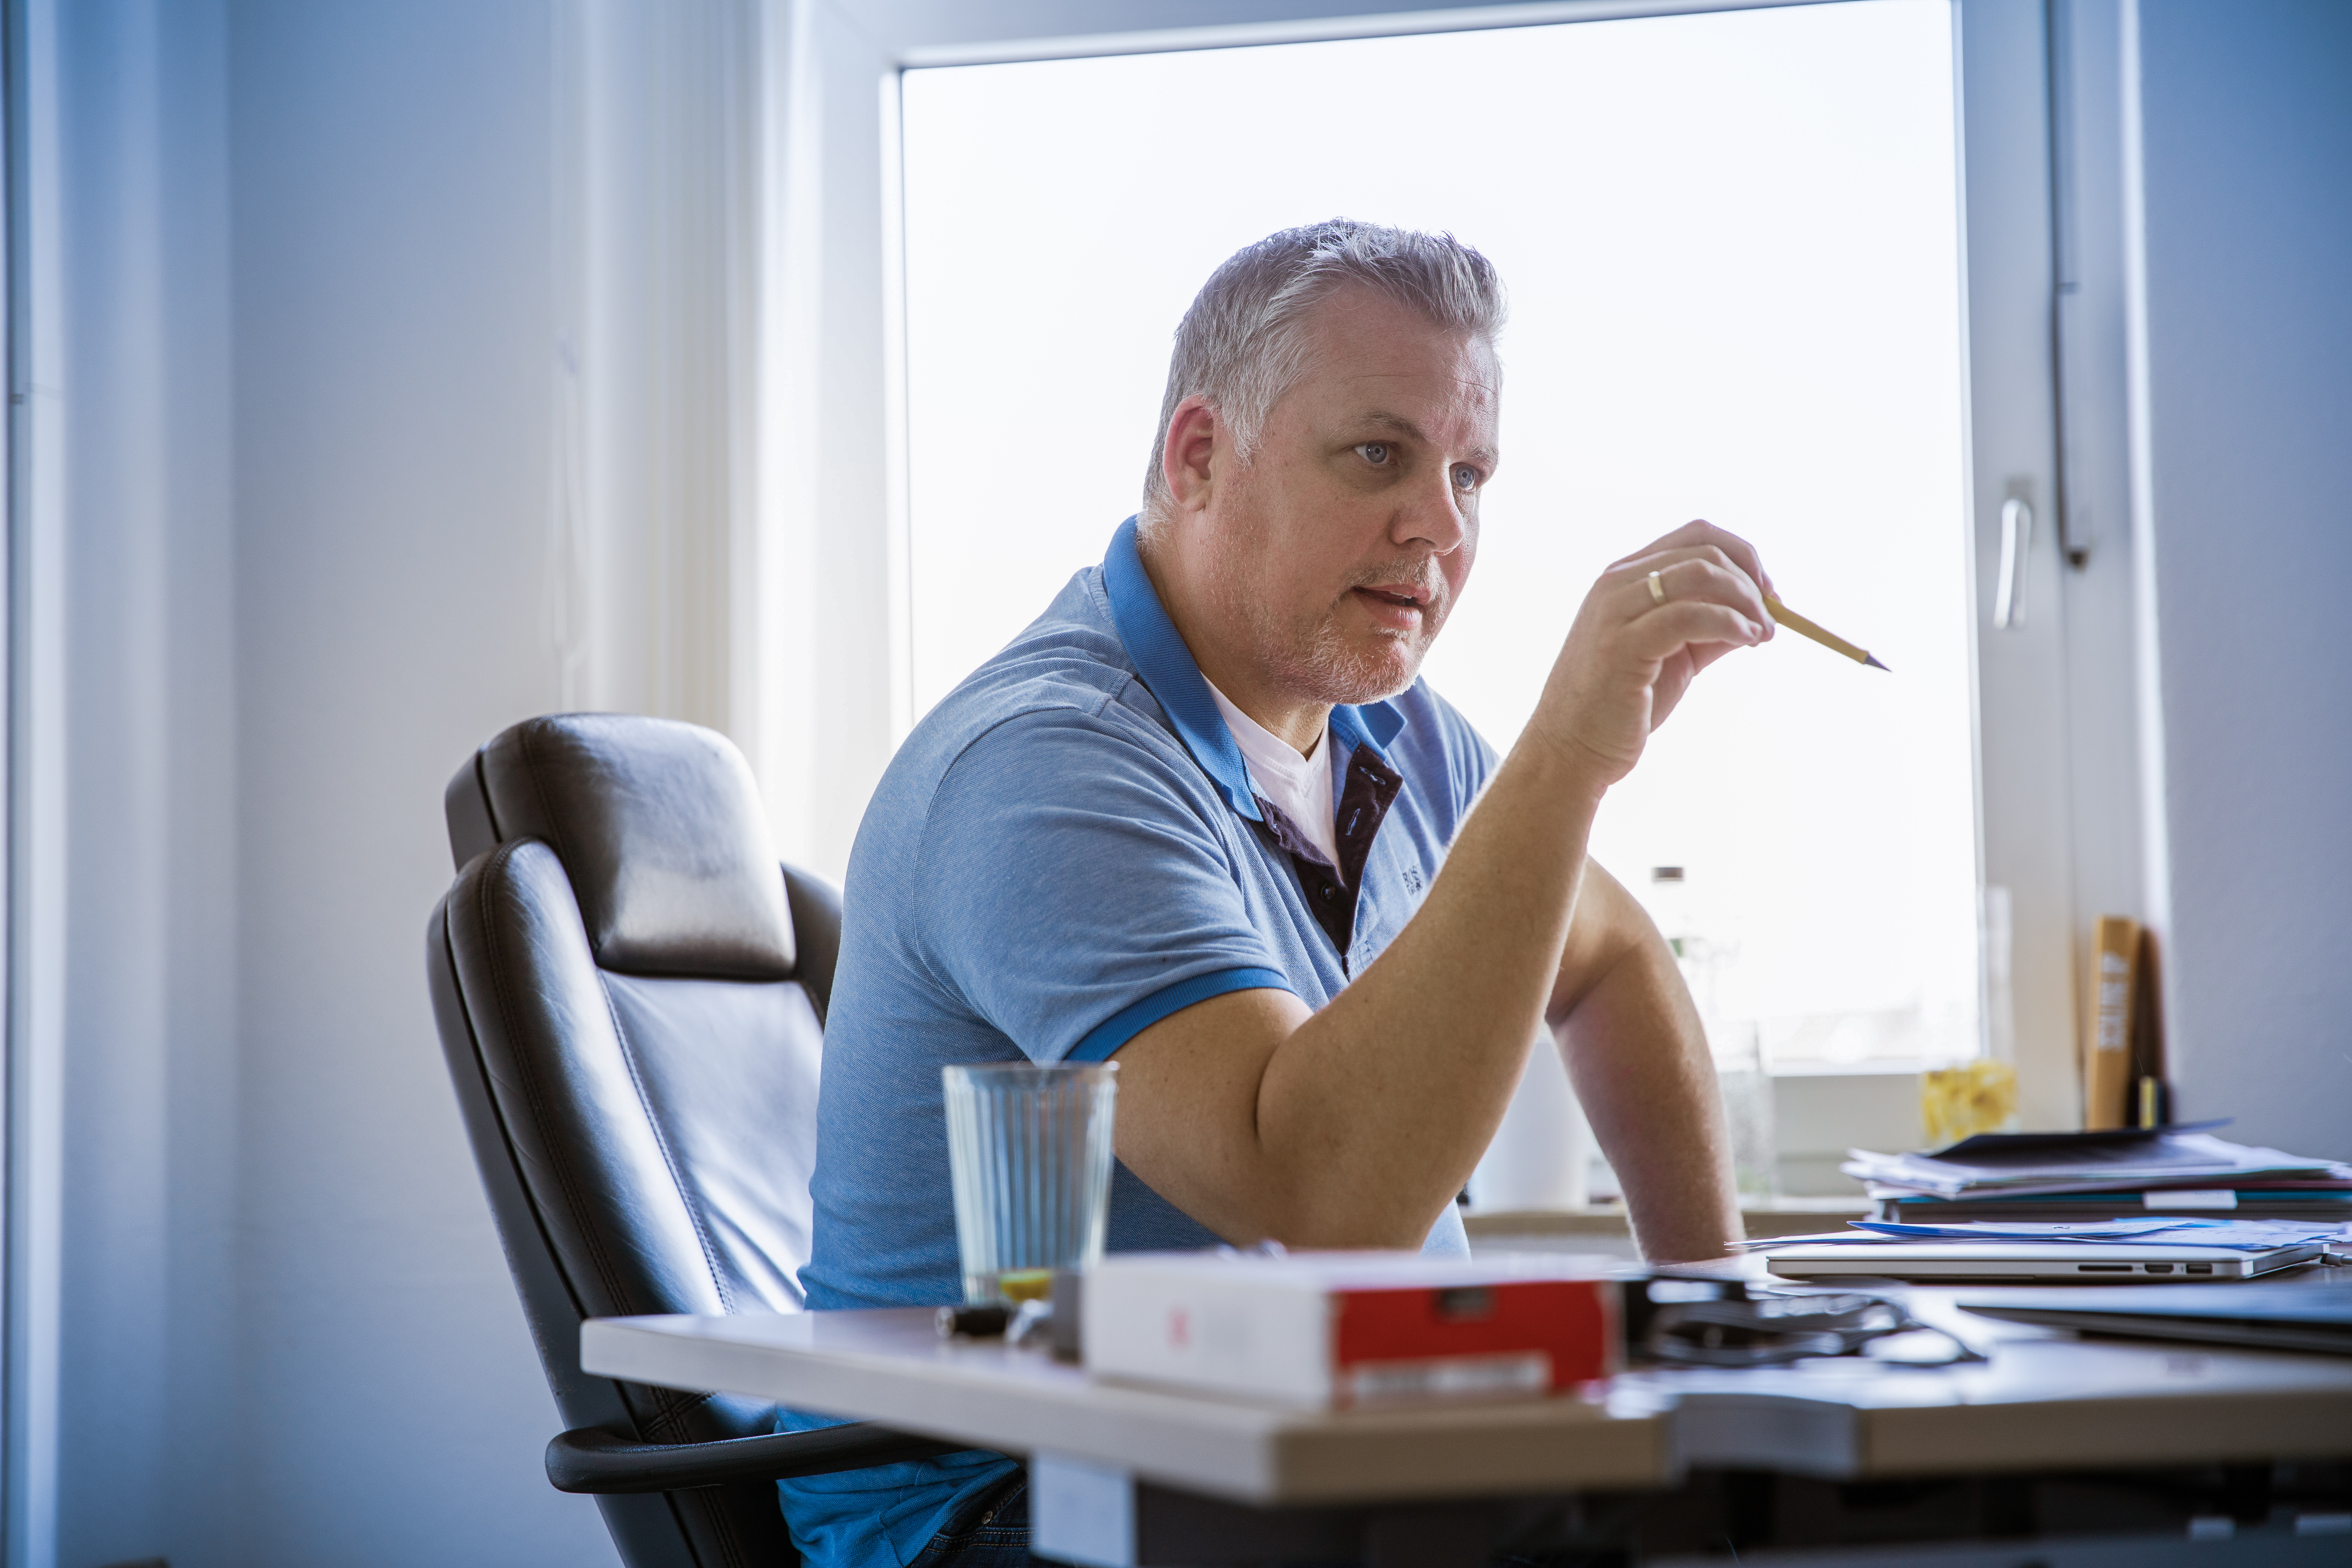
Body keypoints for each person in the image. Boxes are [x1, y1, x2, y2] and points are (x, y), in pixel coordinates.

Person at [779, 219, 1777, 1567]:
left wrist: (1722, 1320)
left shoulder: (1400, 739)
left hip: (1315, 1454)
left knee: (1751, 1519)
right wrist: (1568, 759)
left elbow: (1610, 961)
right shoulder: (1045, 765)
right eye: (1379, 455)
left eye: (1469, 473)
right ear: (1199, 456)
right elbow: (1315, 1203)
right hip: (1009, 1504)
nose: (1440, 525)